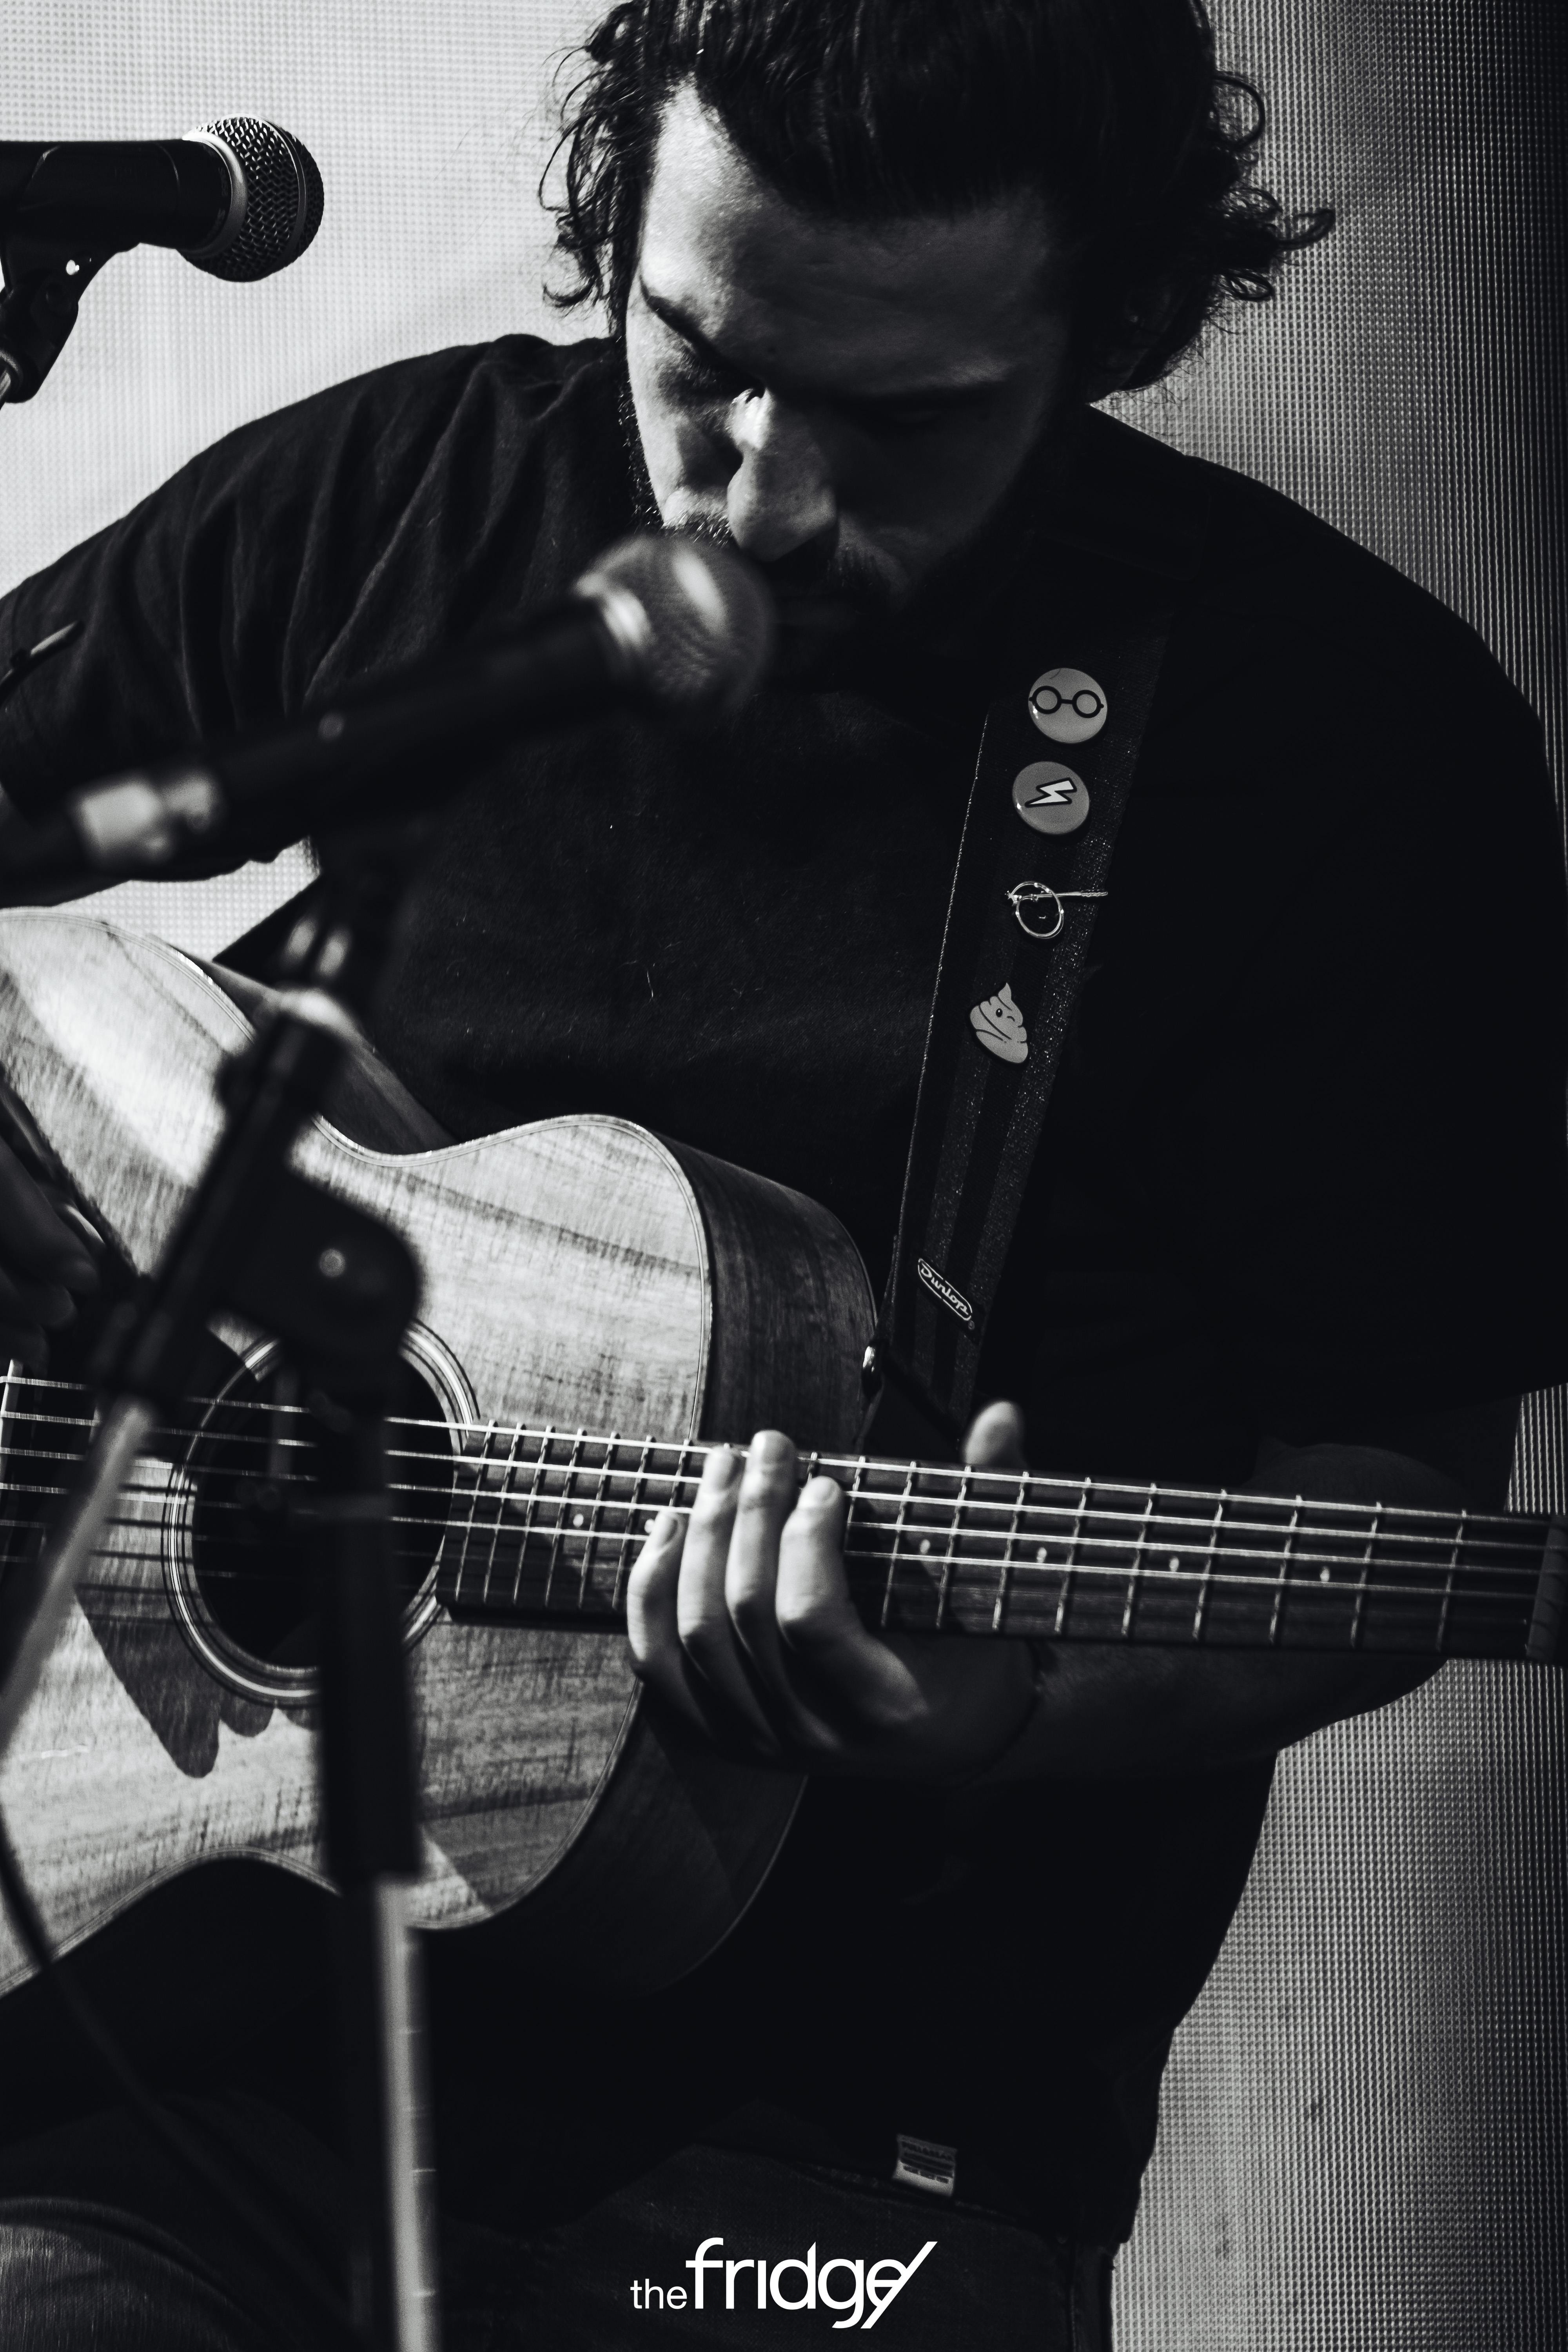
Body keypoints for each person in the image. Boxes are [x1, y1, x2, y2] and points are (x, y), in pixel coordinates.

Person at [0, 1, 1563, 2344]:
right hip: (172, 2038)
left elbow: (1394, 1522)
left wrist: (1010, 1706)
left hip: (835, 2130)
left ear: (1112, 324)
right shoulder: (411, 501)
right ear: (619, 223)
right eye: (701, 363)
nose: (761, 502)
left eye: (902, 420)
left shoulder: (1345, 739)